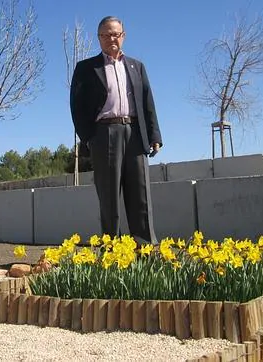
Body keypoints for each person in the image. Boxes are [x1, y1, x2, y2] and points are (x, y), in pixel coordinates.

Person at [70, 15, 163, 244]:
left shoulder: (136, 66)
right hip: (104, 133)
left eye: (115, 34)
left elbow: (147, 102)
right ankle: (113, 251)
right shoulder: (86, 68)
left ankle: (145, 250)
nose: (111, 38)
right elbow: (76, 105)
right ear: (99, 38)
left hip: (135, 133)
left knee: (141, 195)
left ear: (123, 36)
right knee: (109, 196)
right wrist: (89, 138)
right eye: (106, 34)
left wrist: (154, 135)